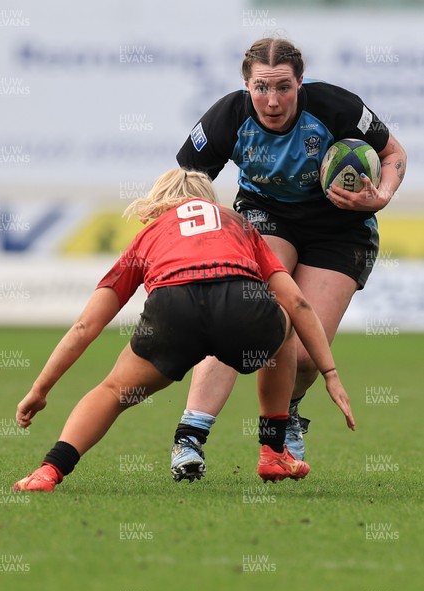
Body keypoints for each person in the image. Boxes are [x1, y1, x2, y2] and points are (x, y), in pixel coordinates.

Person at [13, 168, 354, 493]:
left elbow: (86, 326)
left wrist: (40, 389)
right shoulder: (239, 224)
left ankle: (49, 470)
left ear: (157, 202)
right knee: (285, 322)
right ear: (210, 201)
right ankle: (273, 450)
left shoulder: (149, 234)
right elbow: (298, 304)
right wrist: (330, 373)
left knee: (113, 391)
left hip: (173, 311)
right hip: (240, 307)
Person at [170, 36, 406, 478]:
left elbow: (395, 153)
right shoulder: (228, 117)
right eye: (261, 88)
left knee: (301, 356)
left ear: (301, 82)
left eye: (283, 88)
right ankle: (190, 437)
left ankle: (289, 412)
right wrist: (210, 226)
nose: (272, 100)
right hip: (266, 214)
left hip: (341, 229)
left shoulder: (335, 107)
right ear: (246, 84)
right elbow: (187, 182)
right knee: (243, 315)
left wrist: (381, 197)